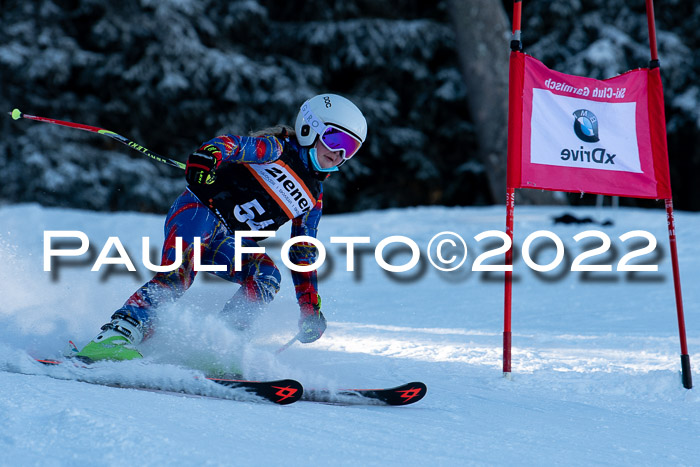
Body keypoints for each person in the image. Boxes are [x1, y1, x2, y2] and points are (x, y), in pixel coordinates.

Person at [76, 93, 367, 362]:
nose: (339, 152)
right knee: (179, 274)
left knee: (267, 274)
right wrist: (207, 158)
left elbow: (302, 254)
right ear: (309, 128)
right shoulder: (276, 150)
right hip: (198, 213)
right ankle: (115, 335)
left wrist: (308, 306)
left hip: (227, 240)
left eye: (350, 148)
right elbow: (230, 145)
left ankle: (219, 344)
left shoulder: (313, 199)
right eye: (334, 139)